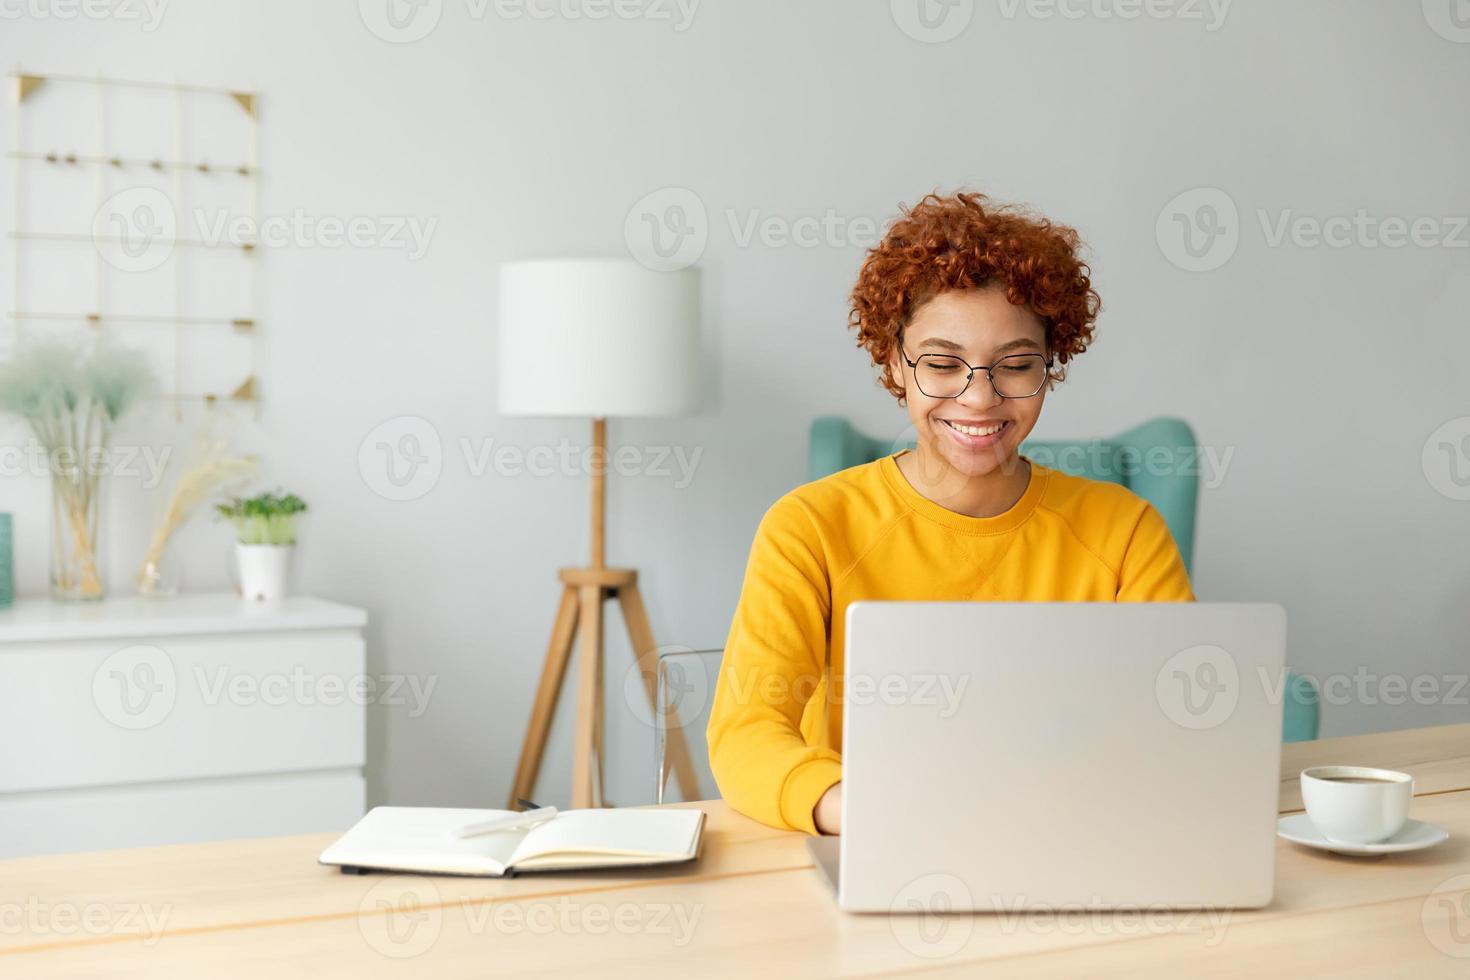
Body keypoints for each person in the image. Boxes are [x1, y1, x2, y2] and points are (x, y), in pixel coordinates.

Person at [706, 191, 1194, 835]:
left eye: (1016, 365)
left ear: (1051, 366)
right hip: (877, 842)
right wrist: (852, 808)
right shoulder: (810, 528)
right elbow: (746, 734)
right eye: (942, 364)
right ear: (894, 363)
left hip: (1072, 836)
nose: (981, 397)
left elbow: (1177, 726)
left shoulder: (1125, 531)